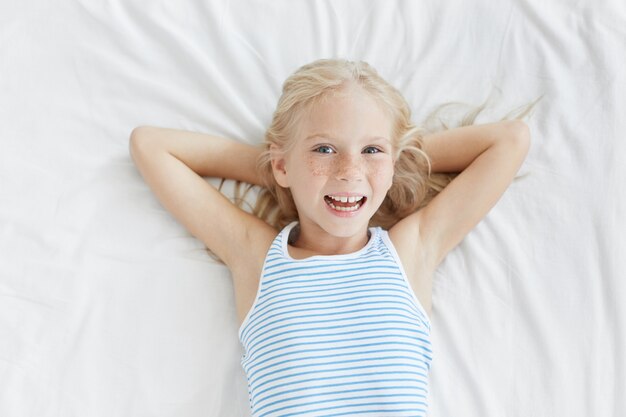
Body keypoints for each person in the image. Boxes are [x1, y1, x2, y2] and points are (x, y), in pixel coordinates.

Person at [129, 58, 535, 416]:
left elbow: (510, 140)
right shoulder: (256, 257)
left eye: (371, 150)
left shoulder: (411, 251)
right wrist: (281, 172)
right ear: (282, 163)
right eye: (324, 149)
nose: (349, 171)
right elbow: (150, 145)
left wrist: (393, 161)